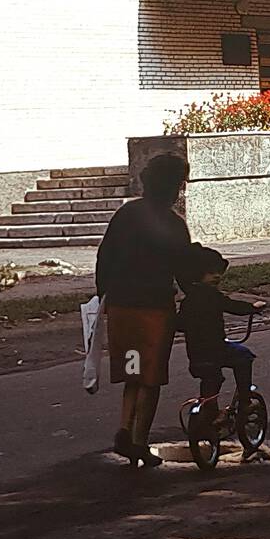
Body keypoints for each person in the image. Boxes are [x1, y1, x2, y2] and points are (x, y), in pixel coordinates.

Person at [95, 153, 190, 467]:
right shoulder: (174, 225)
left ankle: (124, 429)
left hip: (121, 306)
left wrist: (103, 295)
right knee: (151, 379)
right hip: (154, 309)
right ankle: (139, 441)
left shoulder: (126, 215)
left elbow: (104, 256)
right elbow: (185, 271)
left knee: (132, 374)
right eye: (179, 184)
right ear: (172, 186)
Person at [177, 244, 265, 460]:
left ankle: (211, 410)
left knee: (210, 378)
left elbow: (179, 325)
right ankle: (244, 399)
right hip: (218, 349)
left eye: (218, 271)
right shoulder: (212, 296)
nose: (216, 275)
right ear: (198, 274)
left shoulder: (188, 302)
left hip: (197, 355)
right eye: (210, 271)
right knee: (244, 356)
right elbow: (233, 305)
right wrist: (252, 307)